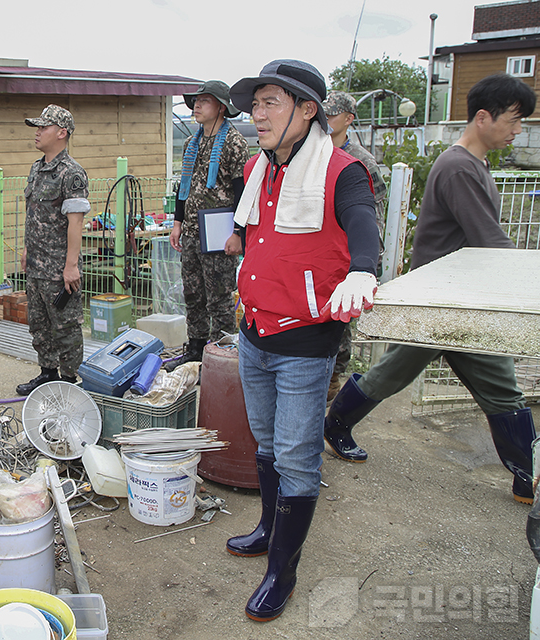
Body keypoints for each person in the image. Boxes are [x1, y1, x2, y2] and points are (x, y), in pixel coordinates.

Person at [323, 74, 537, 505]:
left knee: (394, 373)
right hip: (448, 302)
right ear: (482, 117)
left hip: (453, 299)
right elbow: (490, 242)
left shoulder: (469, 164)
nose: (517, 130)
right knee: (499, 387)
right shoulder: (459, 167)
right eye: (514, 121)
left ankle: (336, 425)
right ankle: (527, 477)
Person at [223, 60, 380, 622]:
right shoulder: (260, 169)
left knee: (295, 454)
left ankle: (281, 572)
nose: (256, 115)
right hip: (255, 328)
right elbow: (252, 225)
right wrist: (236, 235)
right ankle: (269, 529)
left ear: (307, 109)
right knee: (266, 441)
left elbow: (362, 223)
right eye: (255, 104)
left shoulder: (341, 171)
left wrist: (363, 268)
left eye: (270, 103)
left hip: (307, 339)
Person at [169, 81, 249, 367]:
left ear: (222, 107)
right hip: (191, 231)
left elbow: (243, 192)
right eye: (196, 101)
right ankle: (196, 347)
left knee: (219, 298)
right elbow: (184, 186)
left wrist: (239, 232)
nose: (197, 106)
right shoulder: (193, 142)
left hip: (219, 234)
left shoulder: (234, 143)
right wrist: (177, 221)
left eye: (205, 101)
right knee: (193, 294)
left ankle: (221, 355)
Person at [15, 105, 91, 396]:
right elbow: (33, 213)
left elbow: (76, 223)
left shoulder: (71, 174)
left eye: (43, 127)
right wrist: (25, 250)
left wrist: (71, 266)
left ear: (61, 133)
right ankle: (47, 373)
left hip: (59, 268)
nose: (37, 132)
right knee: (39, 324)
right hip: (36, 264)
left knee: (66, 327)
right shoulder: (37, 168)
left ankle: (70, 380)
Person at [323, 91, 388, 399]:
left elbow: (372, 217)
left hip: (348, 254)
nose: (327, 119)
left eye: (334, 114)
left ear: (349, 118)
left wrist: (366, 262)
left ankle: (334, 379)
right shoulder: (316, 152)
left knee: (341, 320)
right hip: (322, 251)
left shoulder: (362, 162)